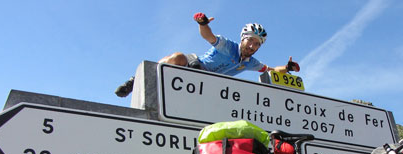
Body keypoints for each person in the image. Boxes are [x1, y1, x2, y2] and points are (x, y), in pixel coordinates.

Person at [115, 12, 301, 97]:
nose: (252, 45)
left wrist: (288, 68)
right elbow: (209, 36)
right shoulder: (228, 46)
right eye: (250, 40)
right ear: (243, 38)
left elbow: (271, 70)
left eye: (257, 44)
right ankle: (137, 79)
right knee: (177, 57)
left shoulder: (250, 63)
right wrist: (202, 24)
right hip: (196, 65)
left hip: (208, 84)